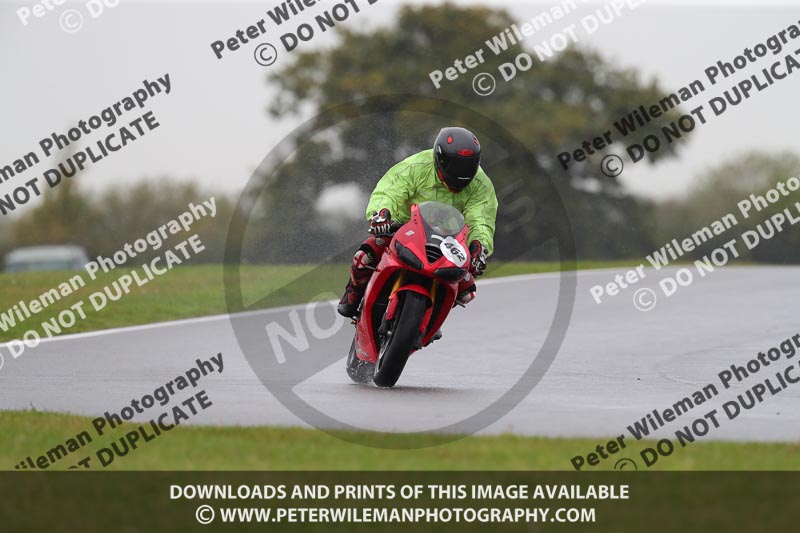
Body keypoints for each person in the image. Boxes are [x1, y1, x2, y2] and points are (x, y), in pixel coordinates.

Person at [337, 126, 499, 319]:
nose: (461, 173)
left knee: (467, 291)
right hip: (404, 229)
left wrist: (479, 245)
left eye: (468, 167)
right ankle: (354, 291)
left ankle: (429, 316)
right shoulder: (416, 166)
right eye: (454, 166)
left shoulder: (481, 185)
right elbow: (390, 190)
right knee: (365, 255)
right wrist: (381, 213)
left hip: (448, 240)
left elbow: (481, 219)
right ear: (439, 159)